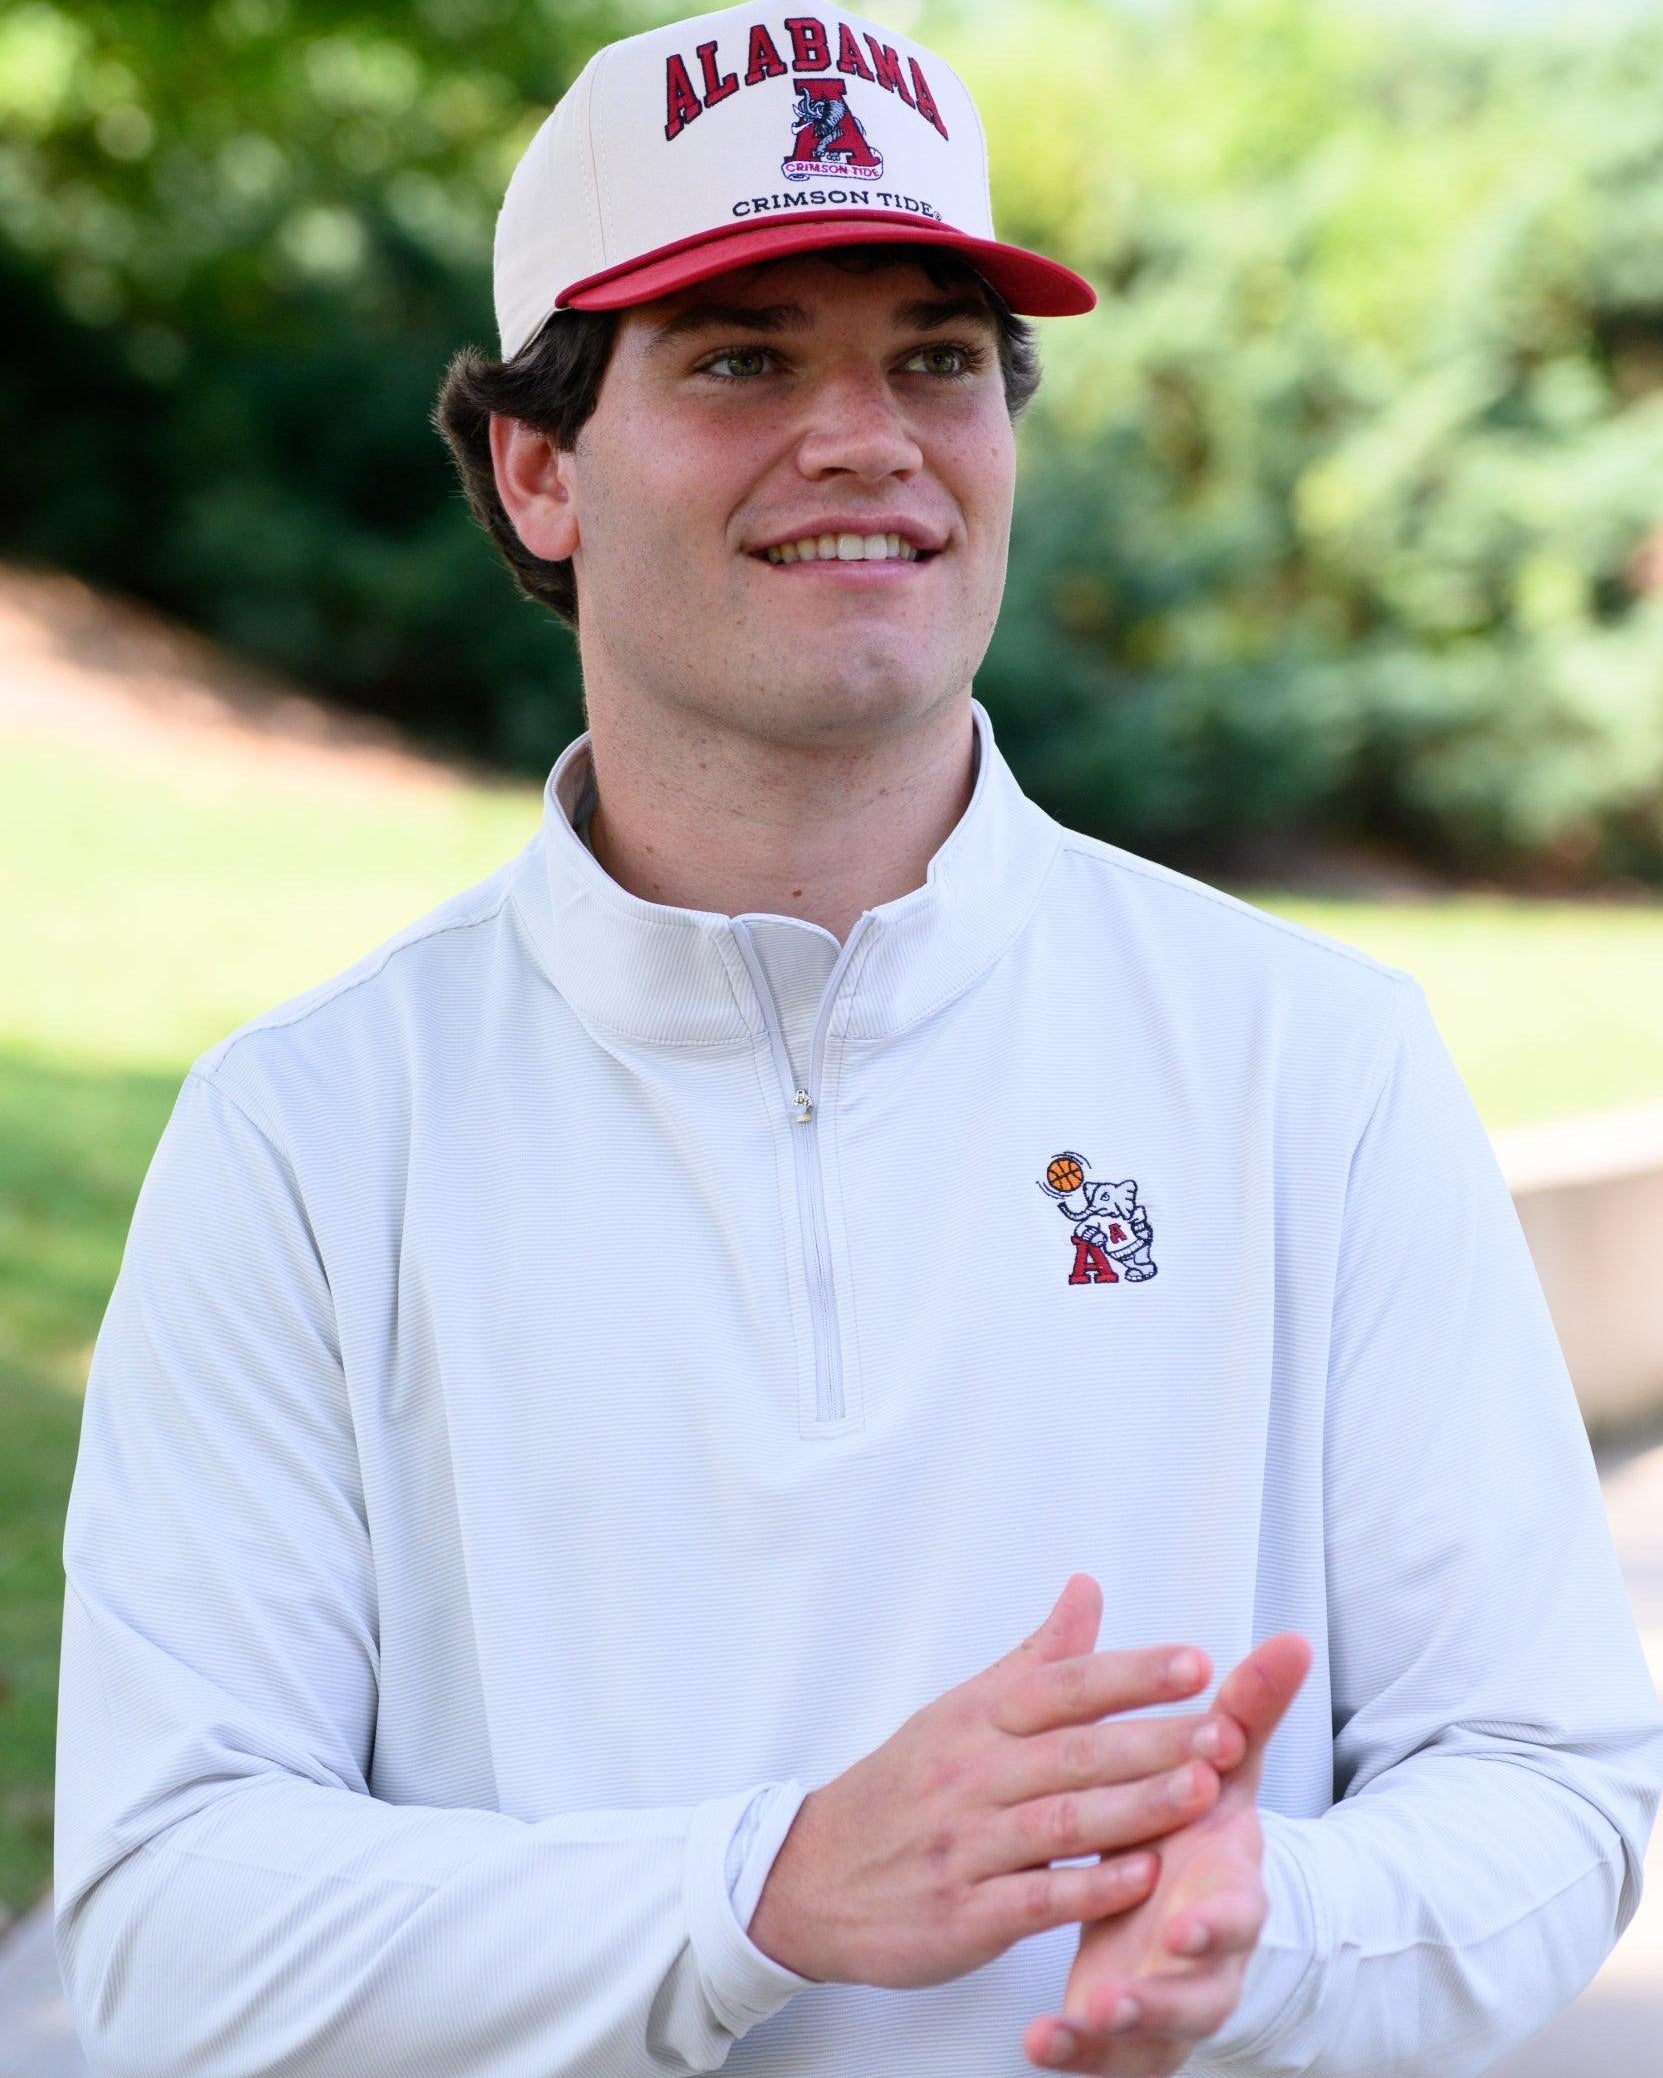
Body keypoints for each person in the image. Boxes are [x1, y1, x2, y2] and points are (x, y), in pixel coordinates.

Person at [52, 4, 1663, 2075]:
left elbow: (1546, 1779)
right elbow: (176, 1920)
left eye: (933, 357)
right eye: (743, 358)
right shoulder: (312, 1132)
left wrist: (1273, 1927)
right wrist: (763, 1885)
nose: (867, 434)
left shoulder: (1308, 1059)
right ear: (537, 468)